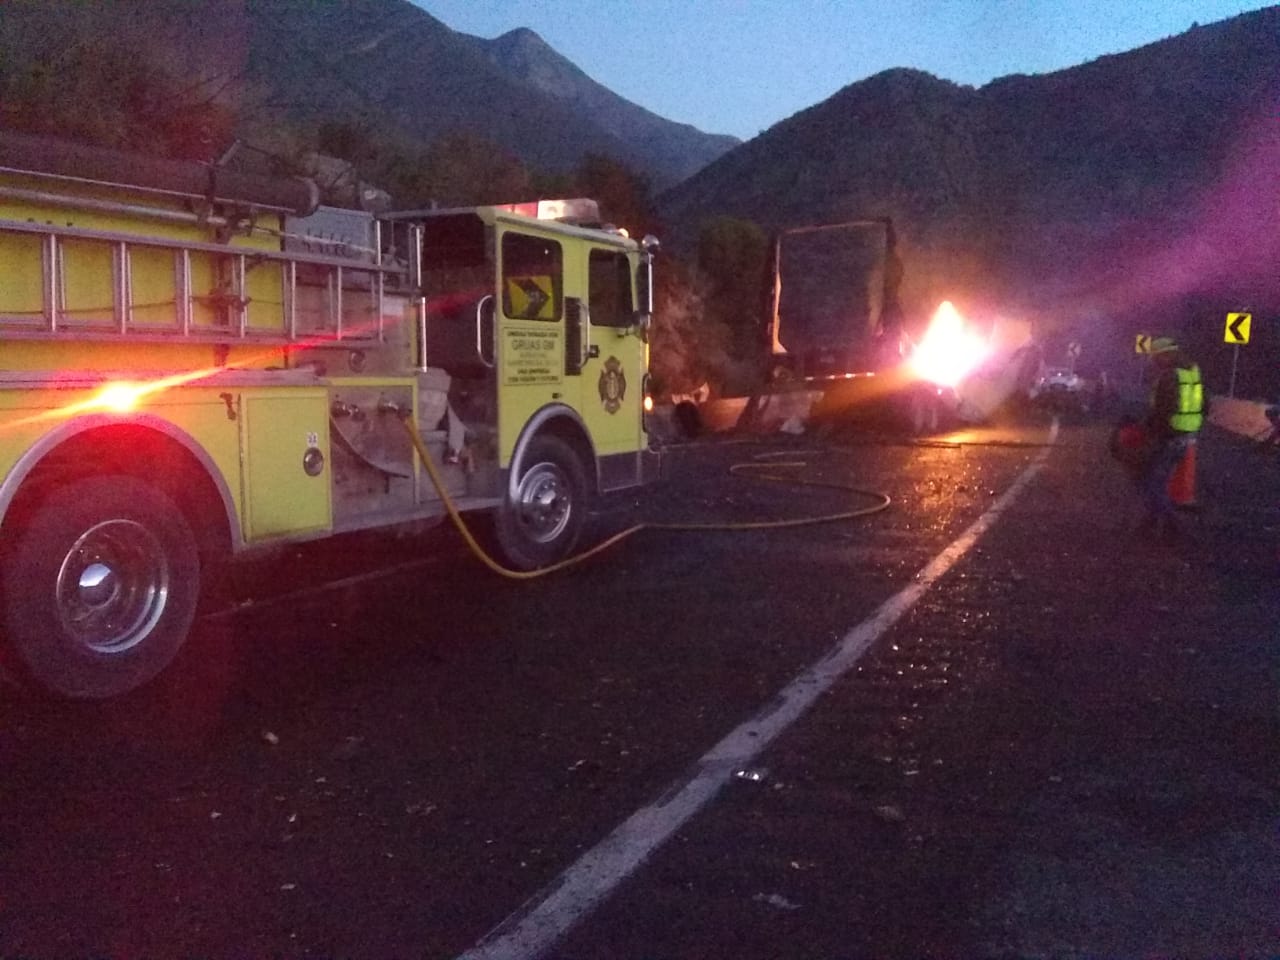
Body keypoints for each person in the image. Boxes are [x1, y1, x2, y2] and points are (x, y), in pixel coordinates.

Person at [1138, 336, 1204, 538]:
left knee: (1151, 483)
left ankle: (1172, 525)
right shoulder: (1192, 372)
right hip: (1187, 435)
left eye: (1156, 357)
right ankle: (1151, 524)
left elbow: (1163, 409)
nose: (1154, 362)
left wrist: (1148, 430)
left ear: (1166, 355)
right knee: (1160, 481)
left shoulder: (1169, 376)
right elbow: (1205, 404)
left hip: (1169, 435)